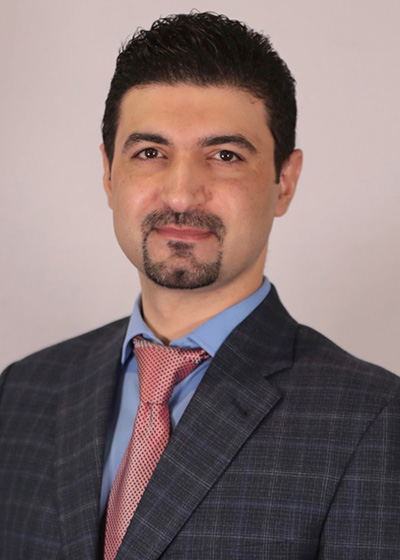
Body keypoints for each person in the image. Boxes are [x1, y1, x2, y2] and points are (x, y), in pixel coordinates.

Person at [0, 11, 399, 560]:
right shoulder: (22, 393)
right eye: (150, 153)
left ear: (284, 182)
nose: (182, 194)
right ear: (109, 174)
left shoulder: (373, 420)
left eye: (225, 155)